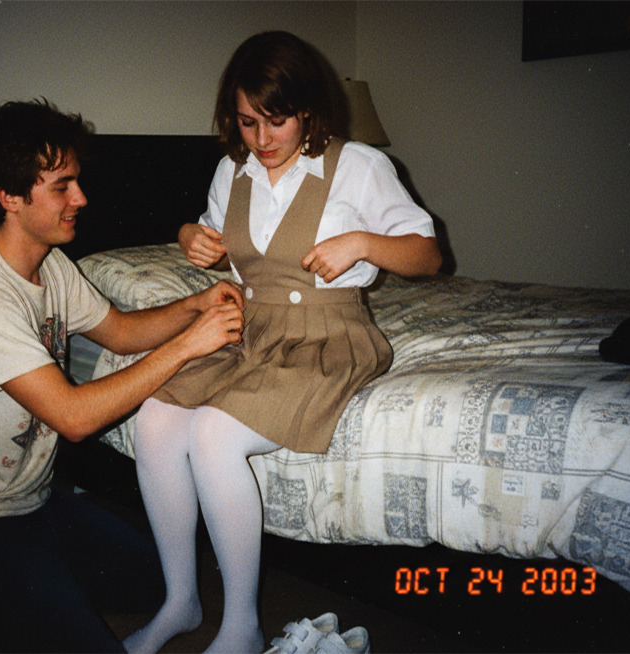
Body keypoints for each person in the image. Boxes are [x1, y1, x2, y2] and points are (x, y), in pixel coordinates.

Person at [125, 31, 442, 654]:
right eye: (248, 122)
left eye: (278, 120)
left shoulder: (358, 166)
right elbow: (226, 251)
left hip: (328, 336)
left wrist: (363, 243)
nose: (262, 139)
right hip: (251, 329)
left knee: (214, 436)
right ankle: (180, 601)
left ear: (308, 111)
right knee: (155, 419)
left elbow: (428, 256)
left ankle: (240, 626)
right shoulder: (232, 170)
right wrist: (190, 236)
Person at [0, 99, 245, 653]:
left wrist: (195, 305)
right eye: (62, 187)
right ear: (10, 197)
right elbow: (74, 417)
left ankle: (26, 589)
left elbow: (122, 332)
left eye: (77, 182)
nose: (80, 198)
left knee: (160, 580)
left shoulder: (52, 264)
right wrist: (188, 345)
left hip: (34, 503)